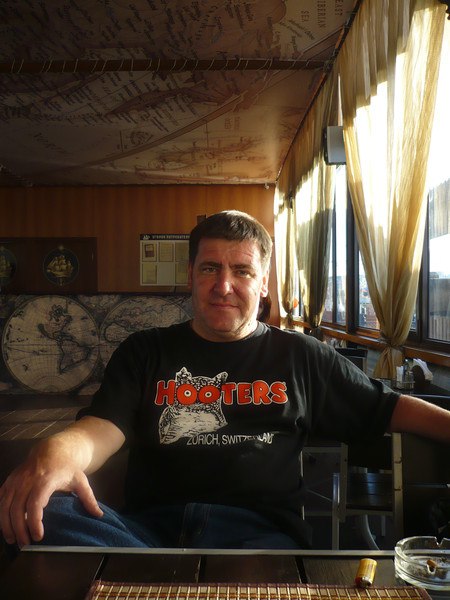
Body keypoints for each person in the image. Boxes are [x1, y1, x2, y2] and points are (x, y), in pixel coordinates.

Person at [1, 210, 450, 550]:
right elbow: (101, 429)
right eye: (210, 268)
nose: (223, 286)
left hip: (260, 537)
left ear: (263, 283)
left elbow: (390, 407)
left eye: (242, 271)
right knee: (41, 505)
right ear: (190, 276)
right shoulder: (145, 350)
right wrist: (58, 452)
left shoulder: (301, 355)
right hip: (146, 534)